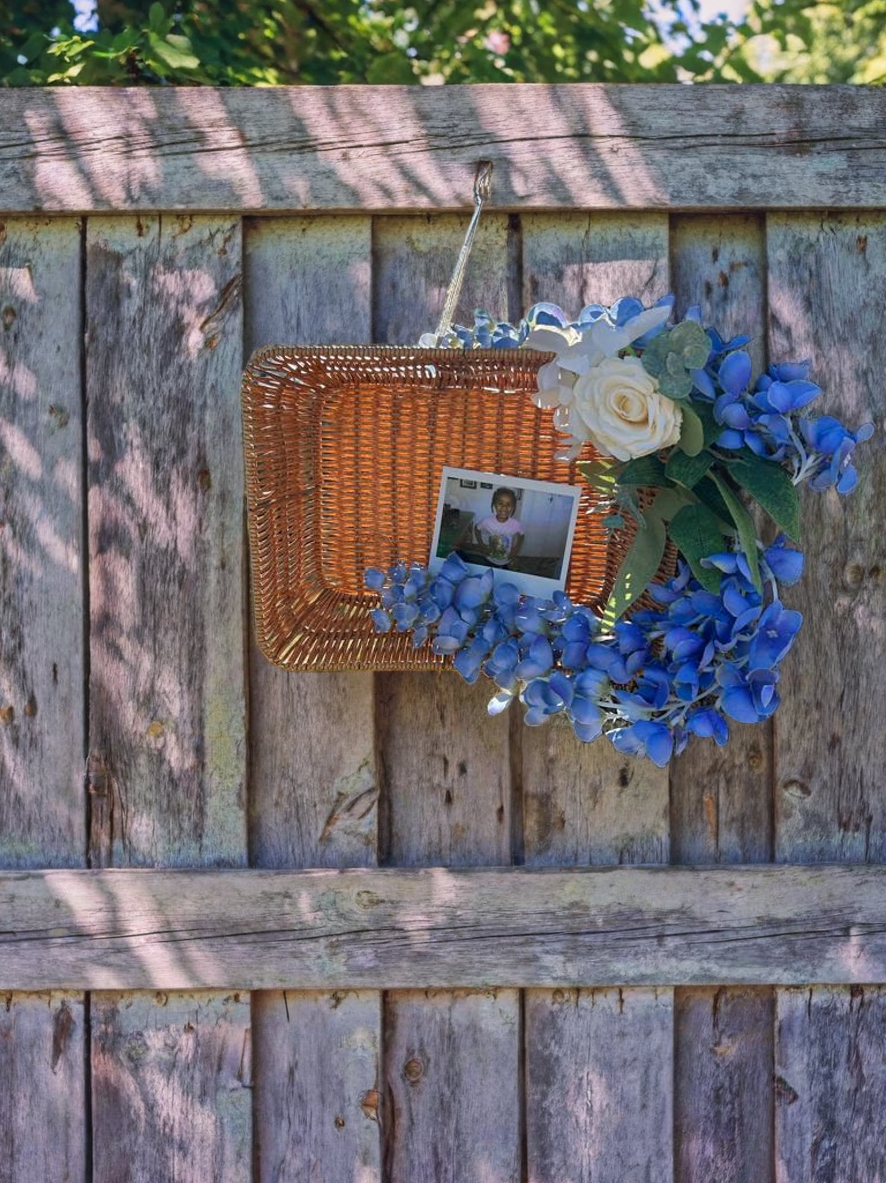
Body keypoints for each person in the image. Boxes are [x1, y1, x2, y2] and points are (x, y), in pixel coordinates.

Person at [467, 487, 525, 568]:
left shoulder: (516, 524)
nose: (504, 507)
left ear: (513, 507)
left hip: (506, 560)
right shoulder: (487, 521)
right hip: (489, 558)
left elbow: (522, 535)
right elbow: (476, 528)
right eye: (500, 503)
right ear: (494, 504)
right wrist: (482, 545)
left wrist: (516, 549)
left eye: (508, 504)